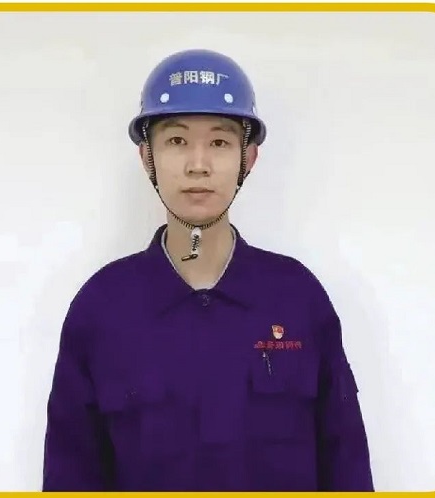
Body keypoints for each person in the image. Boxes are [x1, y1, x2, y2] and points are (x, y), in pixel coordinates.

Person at [41, 48, 374, 492]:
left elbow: (347, 464)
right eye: (176, 141)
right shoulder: (100, 309)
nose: (198, 165)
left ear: (248, 159)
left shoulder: (298, 298)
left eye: (219, 143)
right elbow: (70, 474)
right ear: (147, 158)